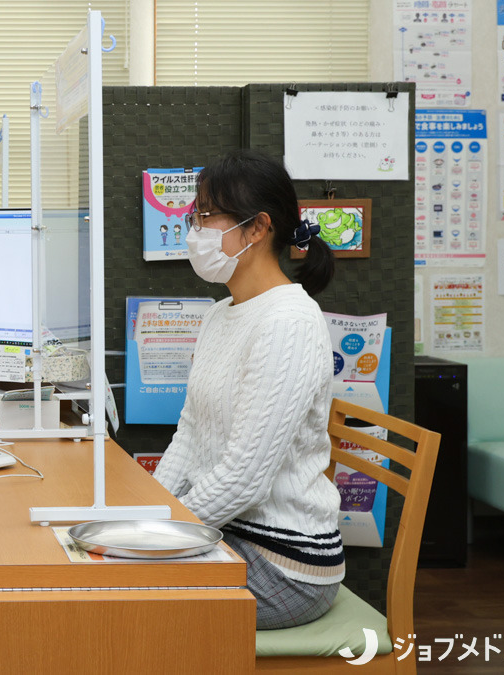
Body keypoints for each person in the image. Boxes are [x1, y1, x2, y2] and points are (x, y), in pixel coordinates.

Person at [151, 149, 342, 630]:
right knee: (98, 575)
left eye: (206, 216)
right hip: (226, 531)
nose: (194, 230)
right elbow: (189, 435)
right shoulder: (221, 314)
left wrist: (158, 535)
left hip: (285, 564)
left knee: (122, 599)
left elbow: (243, 479)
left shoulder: (289, 323)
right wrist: (151, 513)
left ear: (257, 228)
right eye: (195, 216)